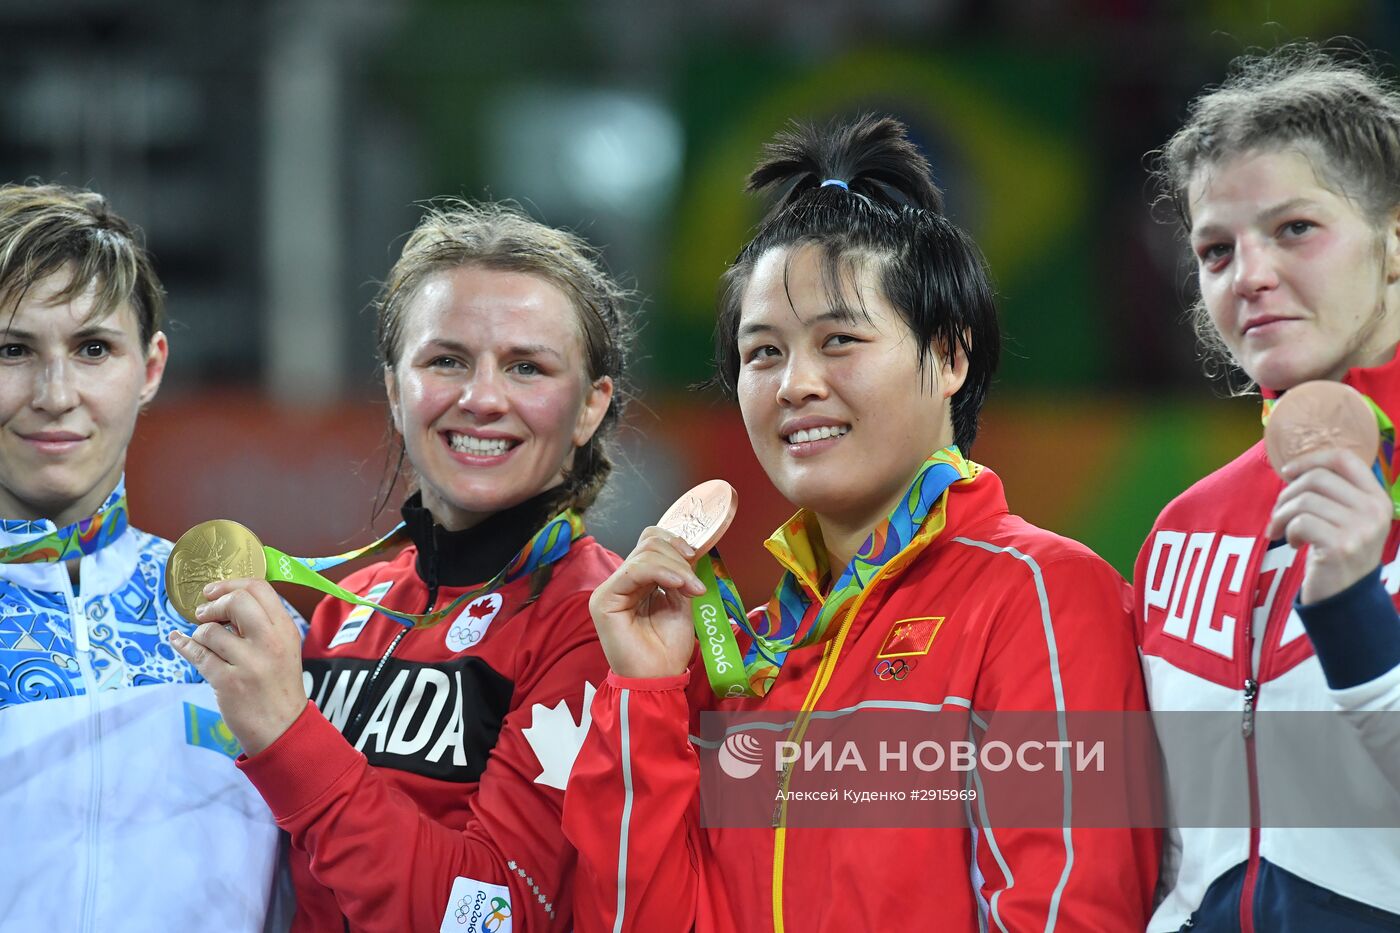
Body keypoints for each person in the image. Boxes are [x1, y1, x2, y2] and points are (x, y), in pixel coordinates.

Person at [562, 115, 1158, 932]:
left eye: (839, 340)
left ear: (951, 356)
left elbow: (1067, 913)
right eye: (762, 353)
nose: (795, 384)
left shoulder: (1041, 596)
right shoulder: (749, 649)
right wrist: (646, 691)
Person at [171, 199, 633, 932]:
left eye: (527, 366)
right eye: (446, 360)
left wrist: (289, 733)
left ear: (589, 407)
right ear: (394, 388)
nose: (482, 398)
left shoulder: (604, 622)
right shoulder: (343, 609)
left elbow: (490, 914)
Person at [1136, 45, 1400, 931]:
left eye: (1294, 229)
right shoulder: (1184, 526)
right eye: (1216, 249)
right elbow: (1163, 847)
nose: (1246, 275)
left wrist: (1358, 615)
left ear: (1395, 242)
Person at [0, 183, 288, 930]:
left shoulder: (253, 629)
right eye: (13, 350)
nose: (56, 393)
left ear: (151, 367)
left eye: (93, 349)